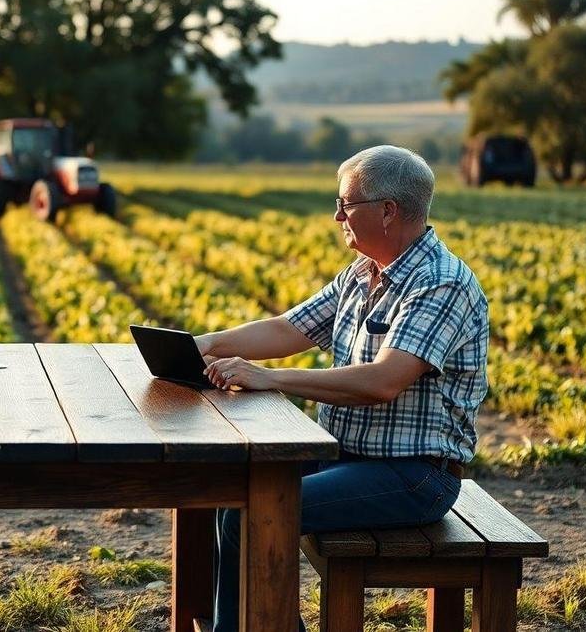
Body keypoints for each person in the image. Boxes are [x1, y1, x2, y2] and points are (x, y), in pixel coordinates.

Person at [194, 145, 488, 632]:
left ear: (388, 211)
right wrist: (200, 345)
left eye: (346, 204)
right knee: (233, 493)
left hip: (413, 475)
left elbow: (382, 381)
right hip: (346, 456)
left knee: (259, 516)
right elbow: (289, 330)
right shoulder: (363, 272)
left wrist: (268, 378)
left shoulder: (440, 284)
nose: (336, 216)